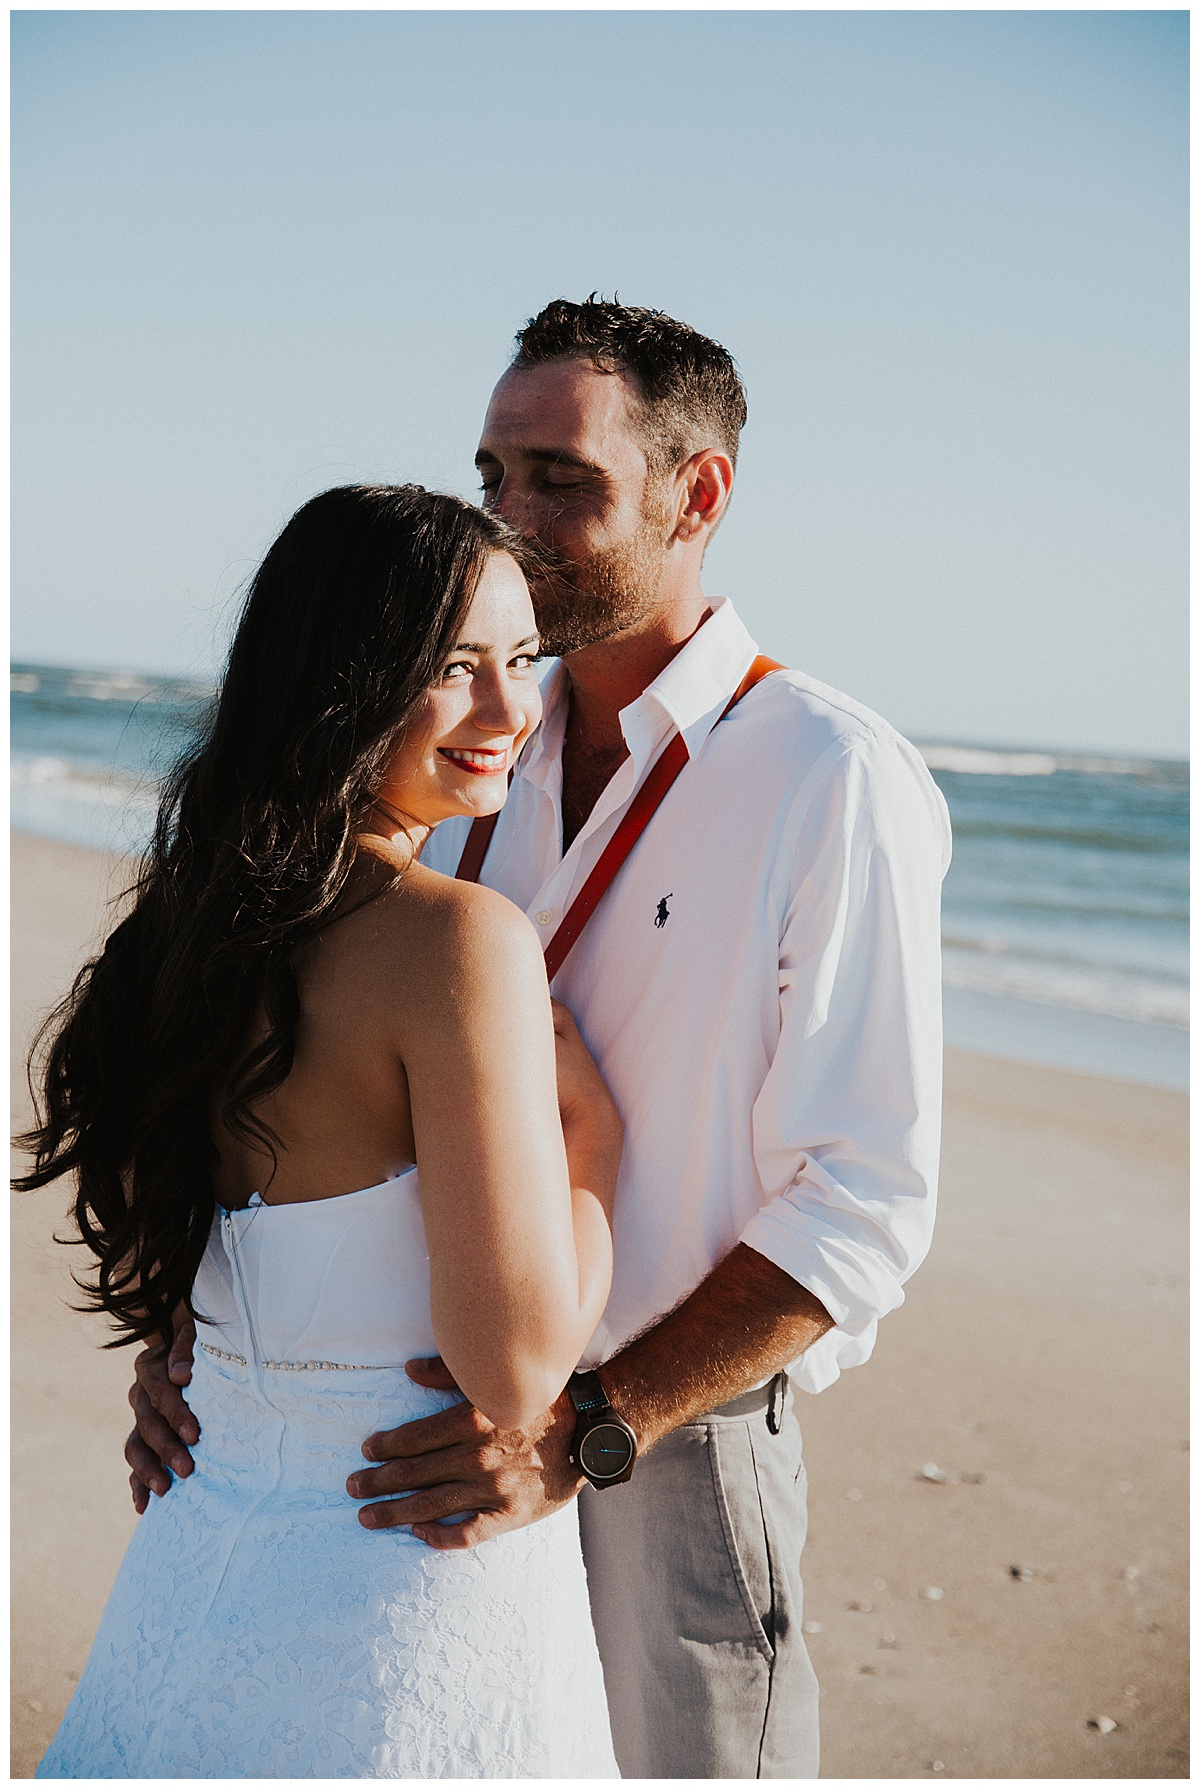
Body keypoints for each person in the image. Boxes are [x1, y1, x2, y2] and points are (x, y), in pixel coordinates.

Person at [128, 300, 953, 1778]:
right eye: (494, 472)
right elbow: (307, 1039)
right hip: (410, 1437)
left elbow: (865, 1202)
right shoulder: (463, 729)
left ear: (698, 493)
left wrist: (590, 1424)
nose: (509, 513)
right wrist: (210, 1319)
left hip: (665, 1429)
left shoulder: (830, 775)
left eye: (560, 479)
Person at [18, 484, 624, 1778]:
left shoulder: (180, 935)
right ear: (347, 676)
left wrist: (213, 1360)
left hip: (193, 1568)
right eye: (455, 666)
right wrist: (596, 1143)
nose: (511, 711)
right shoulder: (455, 940)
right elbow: (514, 1372)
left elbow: (159, 1278)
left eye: (523, 660)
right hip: (397, 1608)